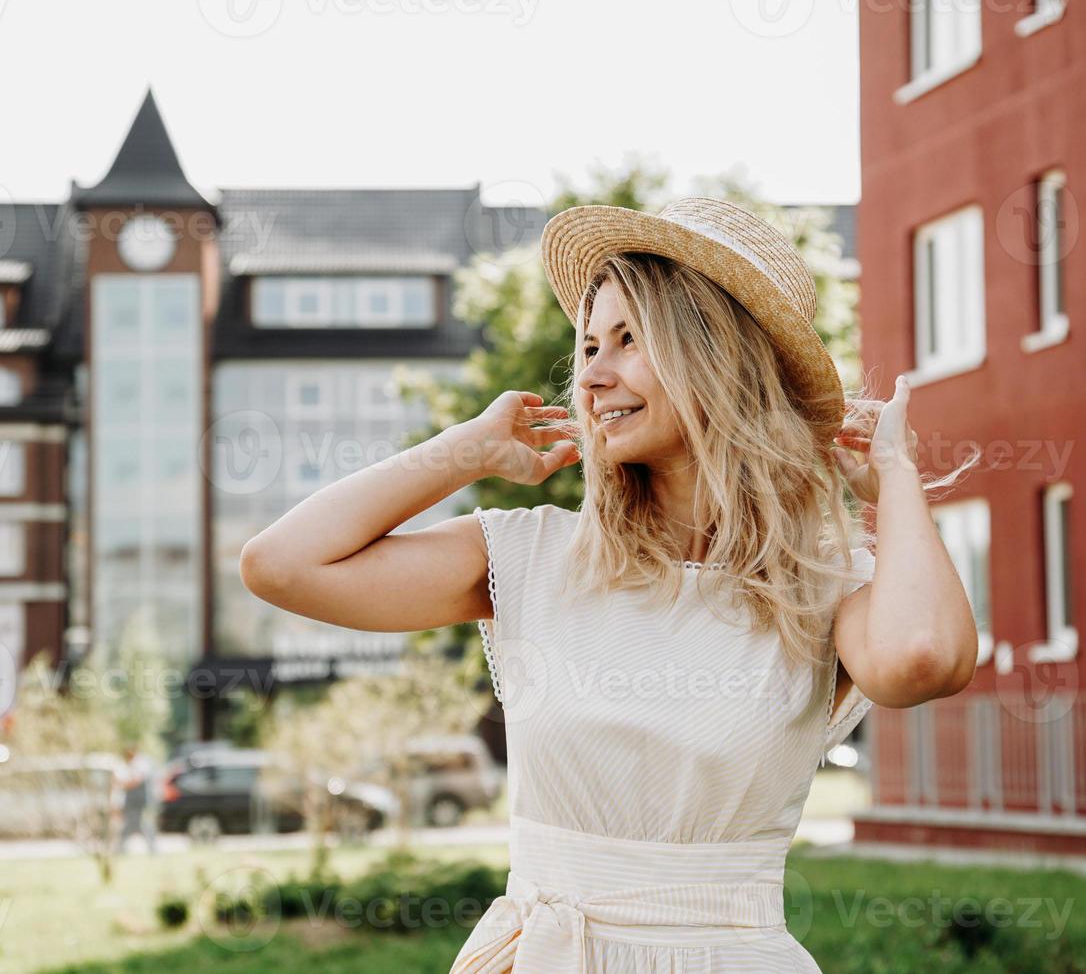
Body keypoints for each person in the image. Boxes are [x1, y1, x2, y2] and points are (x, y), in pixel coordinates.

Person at [240, 197, 981, 972]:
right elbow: (282, 566)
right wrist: (463, 452)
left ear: (717, 357)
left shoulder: (825, 591)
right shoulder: (529, 558)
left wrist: (894, 481)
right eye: (589, 346)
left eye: (628, 340)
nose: (591, 376)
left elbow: (924, 658)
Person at [112, 744, 157, 855]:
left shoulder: (141, 763)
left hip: (138, 800)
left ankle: (121, 848)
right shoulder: (132, 763)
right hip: (132, 800)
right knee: (133, 824)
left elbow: (136, 780)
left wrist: (122, 784)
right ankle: (121, 848)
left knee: (140, 824)